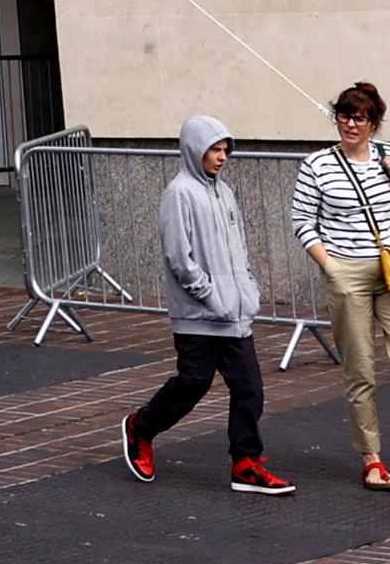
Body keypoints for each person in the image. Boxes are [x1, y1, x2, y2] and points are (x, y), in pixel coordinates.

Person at [121, 113, 295, 496]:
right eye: (214, 150)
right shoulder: (179, 193)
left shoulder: (225, 192)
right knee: (192, 386)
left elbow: (240, 250)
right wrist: (209, 294)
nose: (221, 157)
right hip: (199, 316)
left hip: (235, 315)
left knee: (250, 389)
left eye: (225, 150)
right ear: (194, 150)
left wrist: (246, 289)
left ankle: (246, 463)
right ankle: (141, 427)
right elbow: (178, 257)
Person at [295, 80, 390, 491]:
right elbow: (302, 221)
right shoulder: (318, 164)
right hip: (346, 272)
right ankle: (371, 455)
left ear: (375, 123)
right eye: (343, 115)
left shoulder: (388, 159)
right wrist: (330, 267)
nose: (350, 124)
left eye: (360, 118)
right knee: (359, 368)